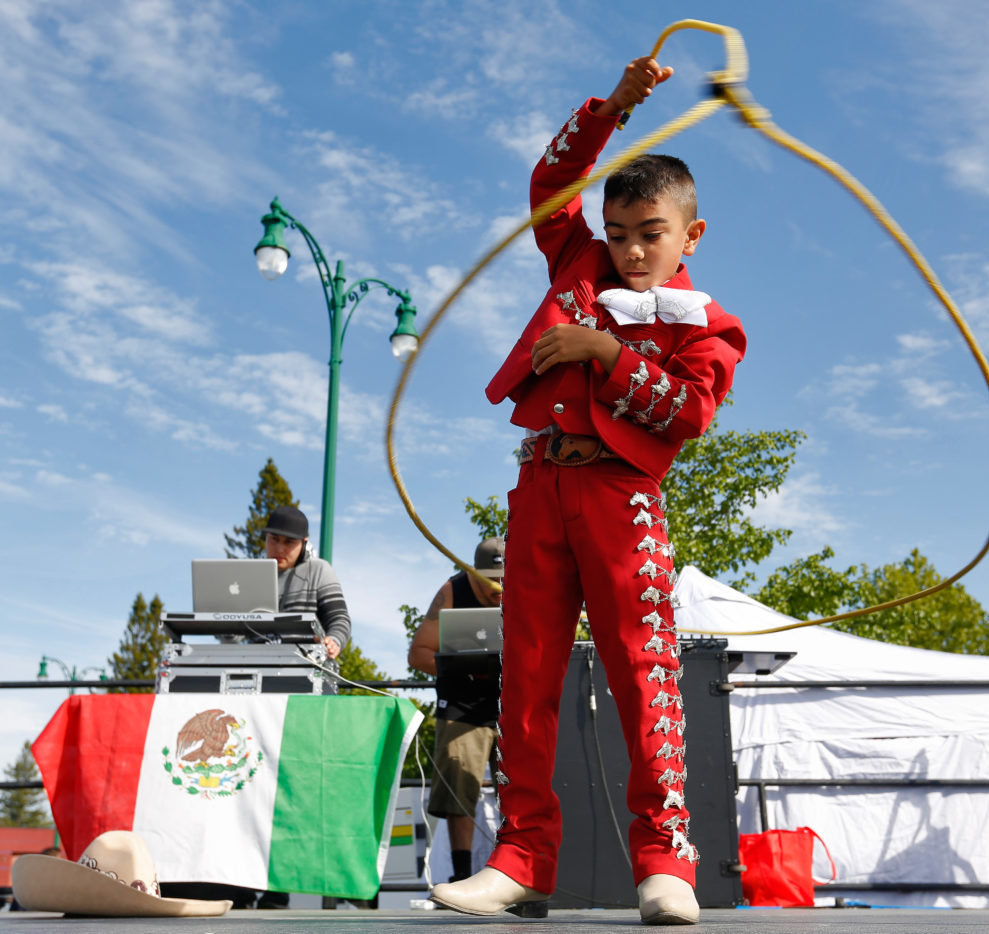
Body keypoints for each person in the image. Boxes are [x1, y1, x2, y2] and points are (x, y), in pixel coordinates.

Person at [429, 58, 746, 926]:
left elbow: (687, 414)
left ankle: (665, 859)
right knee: (523, 673)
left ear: (691, 235)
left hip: (622, 499)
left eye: (651, 232)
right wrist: (612, 109)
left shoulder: (709, 325)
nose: (632, 250)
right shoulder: (576, 253)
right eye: (619, 232)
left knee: (642, 671)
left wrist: (603, 356)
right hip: (539, 485)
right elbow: (551, 181)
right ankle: (523, 858)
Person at [408, 538, 504, 883]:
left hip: (512, 703)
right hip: (461, 704)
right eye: (491, 579)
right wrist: (457, 666)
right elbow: (418, 653)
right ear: (472, 572)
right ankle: (462, 875)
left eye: (504, 578)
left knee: (522, 789)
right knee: (458, 788)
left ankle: (516, 870)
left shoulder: (527, 587)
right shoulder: (451, 592)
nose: (499, 587)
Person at [263, 505, 350, 659]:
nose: (280, 548)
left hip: (305, 667)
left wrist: (334, 641)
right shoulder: (251, 576)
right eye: (274, 539)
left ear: (304, 544)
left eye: (289, 542)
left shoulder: (318, 570)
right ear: (266, 537)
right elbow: (233, 633)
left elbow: (339, 618)